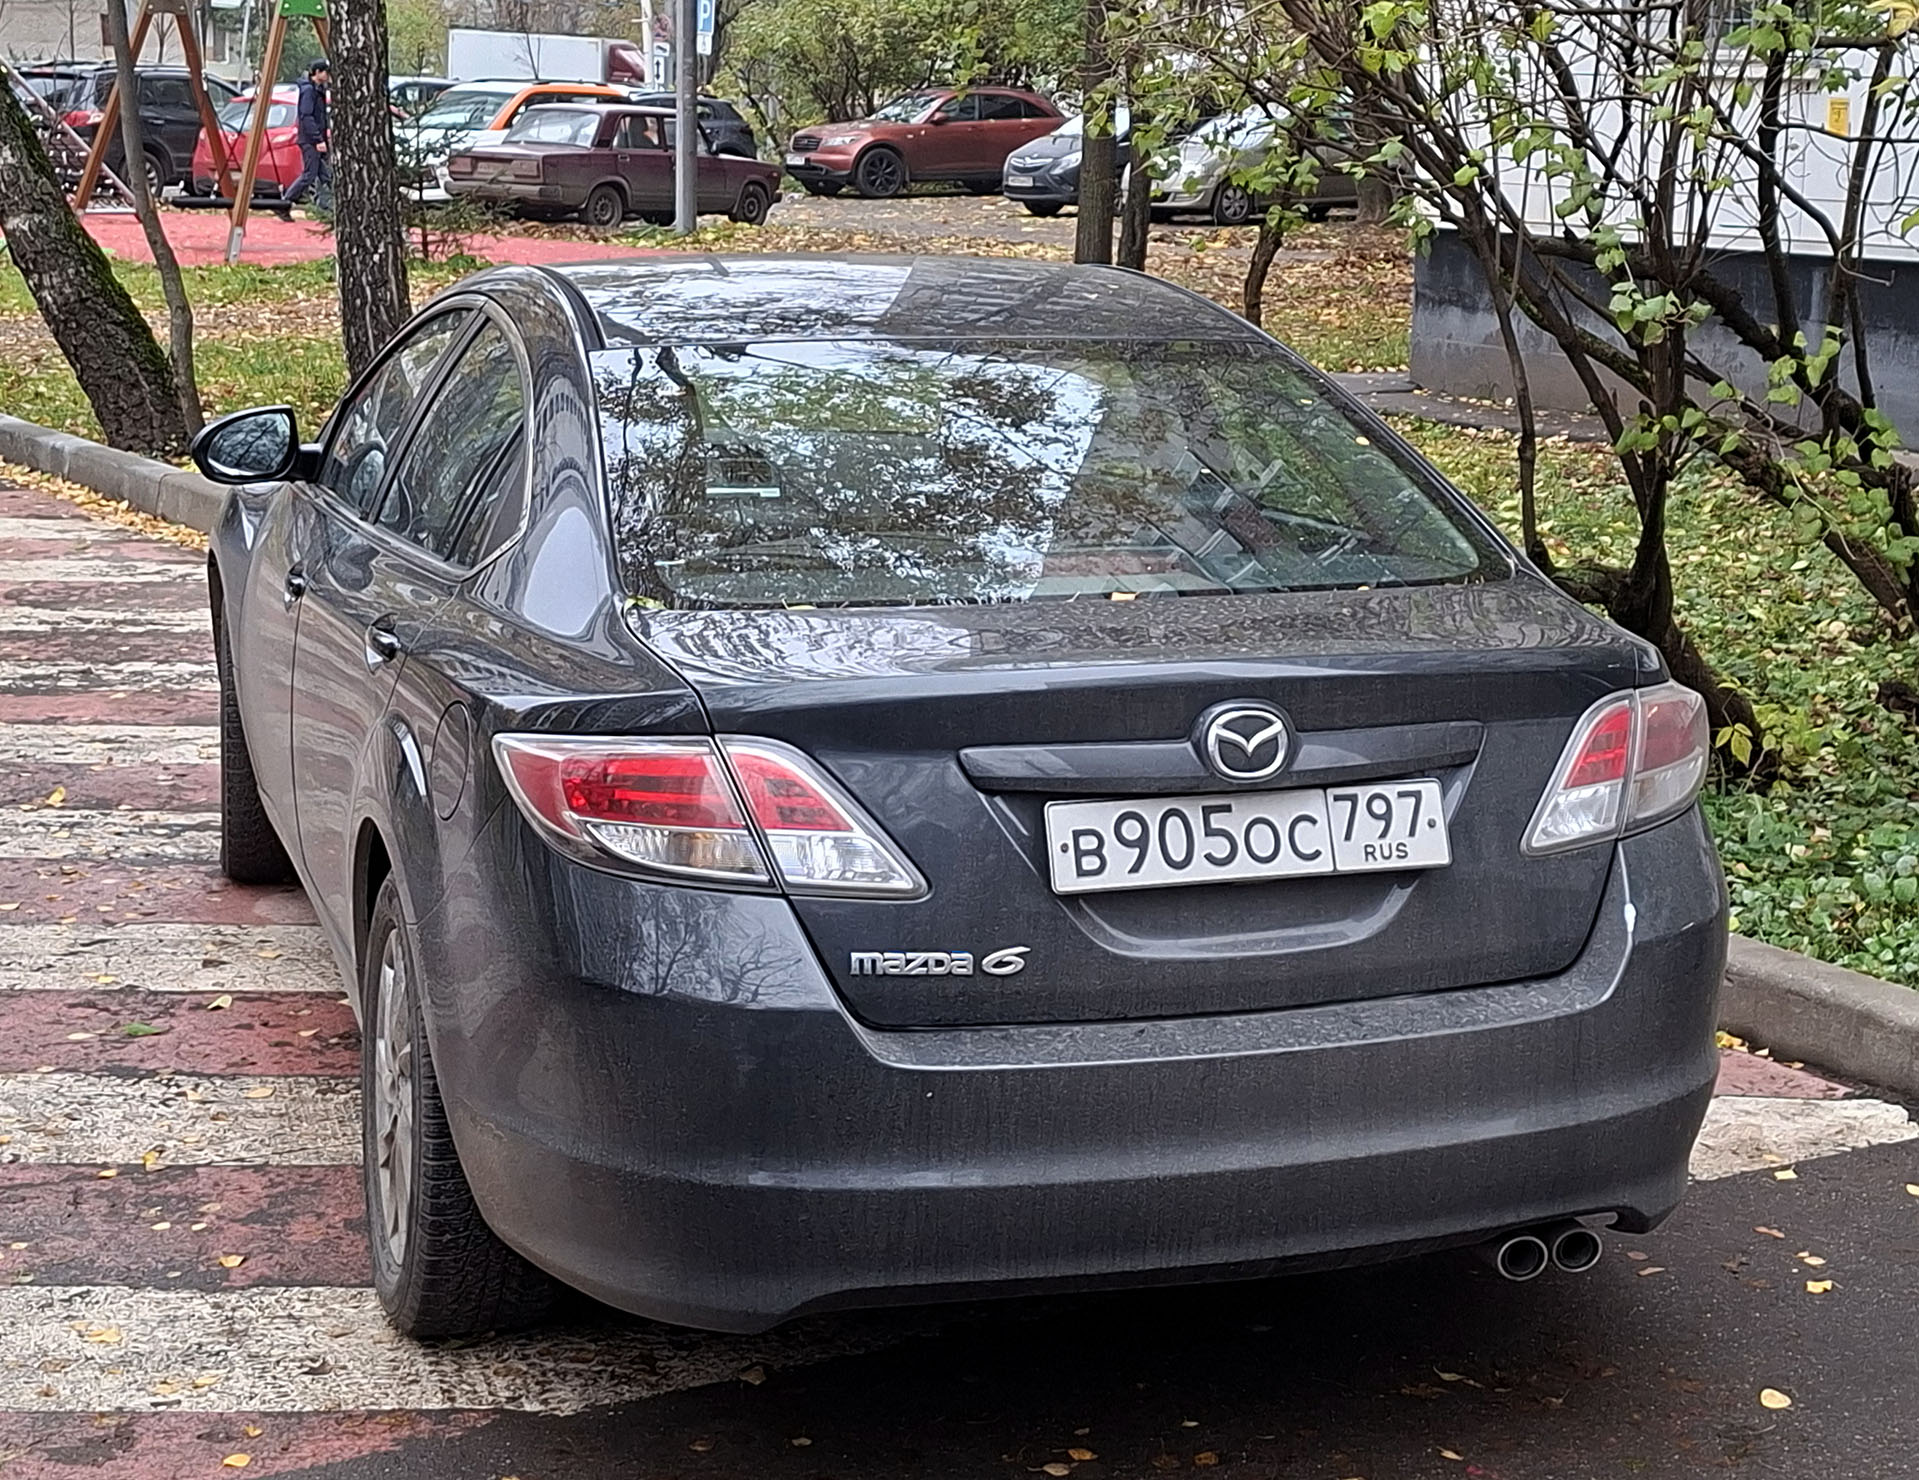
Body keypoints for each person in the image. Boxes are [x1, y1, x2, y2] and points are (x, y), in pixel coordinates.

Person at [276, 60, 330, 219]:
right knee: (309, 174)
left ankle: (327, 208)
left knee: (325, 175)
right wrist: (318, 140)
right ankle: (285, 202)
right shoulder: (309, 91)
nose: (328, 75)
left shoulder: (317, 90)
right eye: (326, 72)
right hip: (310, 140)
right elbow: (306, 117)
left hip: (312, 139)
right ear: (318, 72)